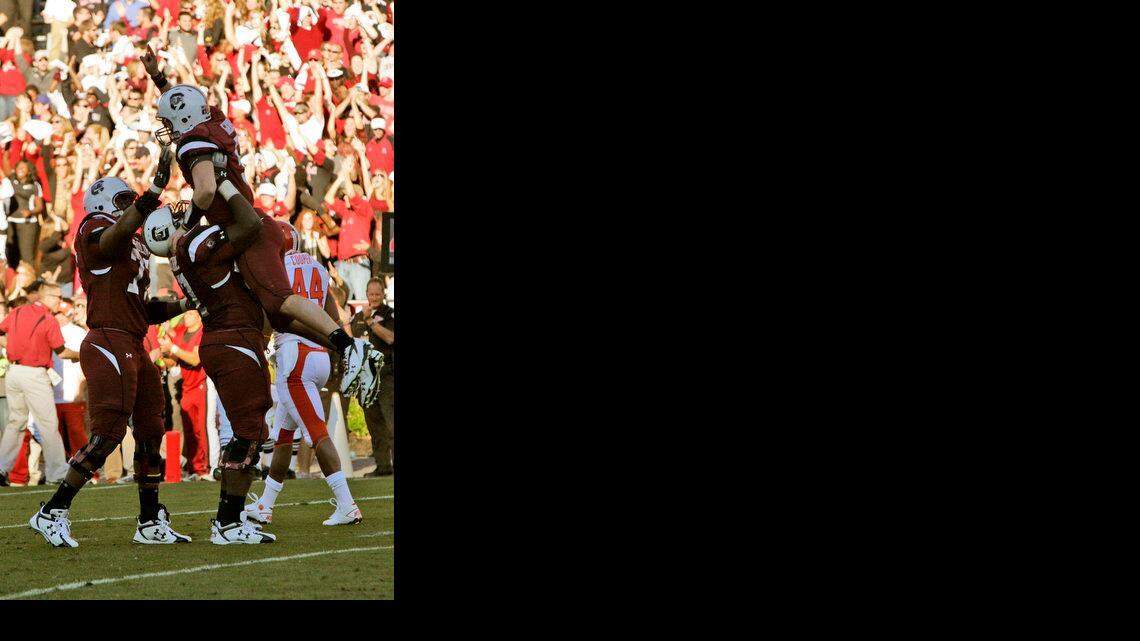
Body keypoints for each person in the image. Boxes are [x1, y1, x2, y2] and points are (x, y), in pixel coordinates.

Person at [143, 46, 382, 406]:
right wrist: (159, 79)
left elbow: (205, 189)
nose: (167, 130)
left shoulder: (192, 144)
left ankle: (352, 348)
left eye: (168, 123)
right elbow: (184, 105)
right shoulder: (211, 121)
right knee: (280, 316)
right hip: (248, 222)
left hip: (246, 227)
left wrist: (187, 224)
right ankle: (345, 349)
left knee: (282, 300)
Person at [27, 163, 192, 548]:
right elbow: (110, 238)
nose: (128, 207)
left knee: (152, 432)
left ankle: (150, 520)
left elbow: (142, 307)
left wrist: (187, 304)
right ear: (102, 201)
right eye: (123, 200)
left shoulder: (133, 244)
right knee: (108, 433)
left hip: (134, 340)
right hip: (107, 340)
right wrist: (151, 194)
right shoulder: (92, 228)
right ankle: (52, 511)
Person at [145, 194, 276, 544]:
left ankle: (229, 518)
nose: (182, 213)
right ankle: (228, 521)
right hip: (230, 337)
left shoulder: (183, 256)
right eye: (173, 216)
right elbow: (249, 225)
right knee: (248, 432)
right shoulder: (191, 245)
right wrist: (225, 191)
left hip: (222, 336)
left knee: (251, 432)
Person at [244, 223, 363, 526]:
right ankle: (266, 505)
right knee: (284, 436)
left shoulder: (277, 267)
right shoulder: (320, 269)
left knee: (316, 433)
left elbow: (273, 315)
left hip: (294, 356)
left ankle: (347, 504)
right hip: (319, 355)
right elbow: (332, 317)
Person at [0, 281, 79, 487]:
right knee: (48, 424)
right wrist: (80, 355)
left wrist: (13, 346)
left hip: (14, 372)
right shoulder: (48, 319)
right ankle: (57, 472)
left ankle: (1, 467)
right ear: (48, 298)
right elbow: (61, 351)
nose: (60, 302)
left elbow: (0, 331)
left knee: (15, 422)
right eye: (58, 298)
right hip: (34, 374)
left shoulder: (17, 312)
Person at [349, 277, 394, 476]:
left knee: (391, 422)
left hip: (386, 376)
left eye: (377, 294)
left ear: (383, 294)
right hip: (366, 379)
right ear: (366, 294)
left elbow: (391, 338)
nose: (374, 298)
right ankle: (383, 466)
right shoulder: (357, 317)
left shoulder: (389, 315)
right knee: (374, 425)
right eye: (371, 294)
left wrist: (371, 323)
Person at [159, 309, 210, 481]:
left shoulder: (203, 331)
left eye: (189, 314)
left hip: (201, 384)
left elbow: (195, 359)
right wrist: (164, 351)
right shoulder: (181, 332)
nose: (184, 317)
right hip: (186, 386)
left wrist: (172, 347)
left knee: (202, 429)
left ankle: (205, 468)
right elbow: (172, 360)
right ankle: (193, 468)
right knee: (188, 429)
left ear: (198, 316)